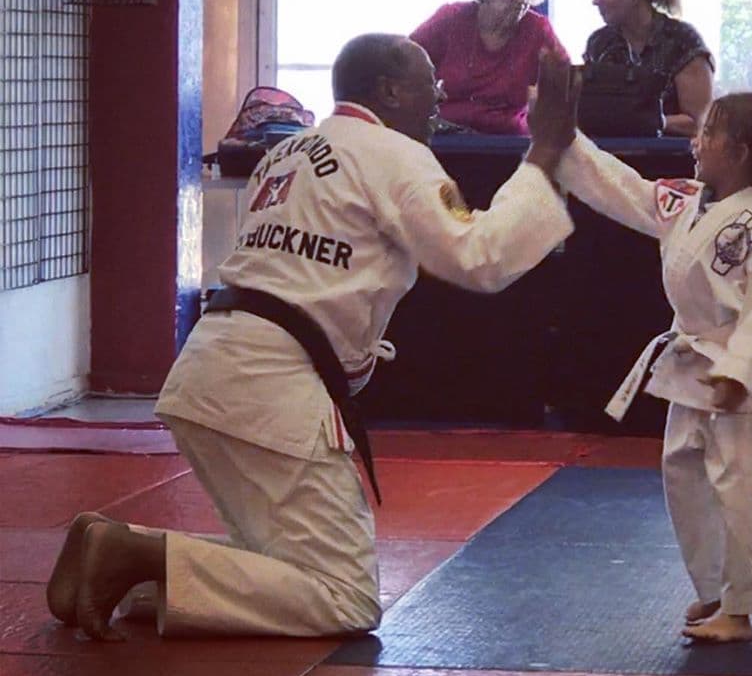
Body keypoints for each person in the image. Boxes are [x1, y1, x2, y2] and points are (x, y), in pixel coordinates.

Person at [44, 37, 579, 642]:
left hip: (212, 371)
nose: (442, 92)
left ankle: (123, 564)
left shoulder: (287, 153)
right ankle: (134, 558)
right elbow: (480, 258)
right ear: (389, 91)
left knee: (286, 567)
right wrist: (543, 155)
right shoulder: (391, 154)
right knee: (344, 597)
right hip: (270, 387)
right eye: (429, 79)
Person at [556, 92, 752, 642]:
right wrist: (567, 143)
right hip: (691, 363)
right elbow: (624, 189)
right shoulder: (687, 201)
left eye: (709, 134)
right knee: (684, 475)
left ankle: (742, 609)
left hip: (736, 375)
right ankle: (717, 589)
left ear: (738, 152)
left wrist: (737, 373)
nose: (696, 142)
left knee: (743, 485)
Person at [410, 0, 568, 136]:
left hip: (508, 145)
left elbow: (567, 89)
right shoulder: (450, 19)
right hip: (444, 140)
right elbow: (402, 66)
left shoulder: (538, 30)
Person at [585, 0, 715, 138]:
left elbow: (701, 123)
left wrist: (652, 121)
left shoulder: (682, 42)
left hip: (670, 162)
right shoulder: (599, 43)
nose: (595, 1)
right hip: (610, 161)